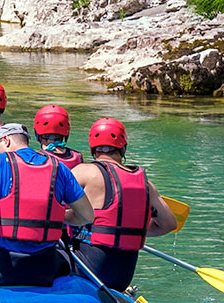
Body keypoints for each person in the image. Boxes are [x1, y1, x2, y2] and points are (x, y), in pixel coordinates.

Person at [0, 122, 95, 287]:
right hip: (46, 268)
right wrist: (53, 217)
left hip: (4, 267)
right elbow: (87, 216)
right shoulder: (59, 168)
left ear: (6, 141)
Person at [70, 117, 176, 292]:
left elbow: (50, 207)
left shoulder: (84, 172)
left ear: (93, 148)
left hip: (89, 269)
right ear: (123, 148)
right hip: (122, 276)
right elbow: (169, 224)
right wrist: (131, 228)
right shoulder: (146, 184)